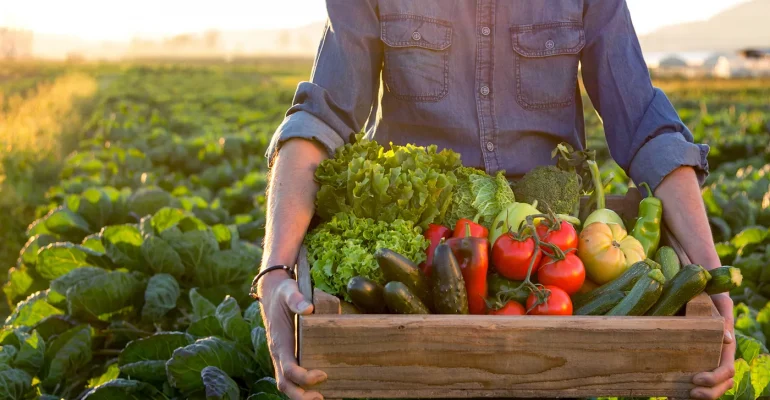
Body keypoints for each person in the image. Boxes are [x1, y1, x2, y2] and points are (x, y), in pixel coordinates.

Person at [253, 1, 735, 400]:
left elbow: (647, 126)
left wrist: (712, 281)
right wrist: (275, 271)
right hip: (417, 255)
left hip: (552, 257)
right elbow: (320, 119)